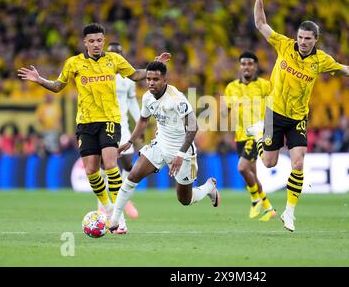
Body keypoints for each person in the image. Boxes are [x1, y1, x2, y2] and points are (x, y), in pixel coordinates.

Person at [249, 0, 349, 232]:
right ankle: (259, 135)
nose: (303, 42)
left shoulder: (321, 60)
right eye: (301, 37)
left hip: (298, 117)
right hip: (274, 112)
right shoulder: (284, 45)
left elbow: (348, 70)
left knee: (297, 162)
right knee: (270, 164)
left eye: (308, 39)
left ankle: (290, 212)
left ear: (316, 40)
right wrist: (259, 1)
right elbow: (261, 24)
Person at [18, 23, 170, 233]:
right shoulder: (74, 63)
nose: (96, 44)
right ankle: (108, 210)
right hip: (86, 123)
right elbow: (58, 86)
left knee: (110, 164)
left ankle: (119, 218)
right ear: (85, 42)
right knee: (91, 170)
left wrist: (154, 67)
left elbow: (135, 74)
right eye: (92, 41)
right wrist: (40, 79)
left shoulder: (114, 60)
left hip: (109, 120)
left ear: (103, 41)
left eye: (99, 40)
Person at [108, 61, 220, 233]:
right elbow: (144, 120)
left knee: (185, 200)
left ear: (165, 79)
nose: (151, 83)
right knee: (132, 176)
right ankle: (114, 222)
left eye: (156, 79)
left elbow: (193, 126)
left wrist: (181, 154)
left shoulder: (177, 99)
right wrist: (130, 142)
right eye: (148, 79)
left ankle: (208, 187)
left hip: (182, 151)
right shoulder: (147, 97)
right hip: (159, 145)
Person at [223, 51, 276, 221]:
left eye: (250, 63)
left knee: (242, 168)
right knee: (251, 174)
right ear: (240, 66)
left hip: (258, 134)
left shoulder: (264, 85)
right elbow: (226, 111)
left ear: (255, 66)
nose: (246, 66)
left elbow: (273, 109)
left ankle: (255, 200)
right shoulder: (231, 87)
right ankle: (268, 207)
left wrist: (271, 131)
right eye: (243, 63)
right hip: (240, 136)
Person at [96, 42, 141, 219]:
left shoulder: (128, 78)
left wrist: (139, 122)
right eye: (113, 53)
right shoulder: (100, 75)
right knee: (103, 165)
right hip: (105, 124)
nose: (116, 56)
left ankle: (124, 198)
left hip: (123, 126)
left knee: (129, 164)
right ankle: (102, 205)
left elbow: (131, 102)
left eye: (119, 53)